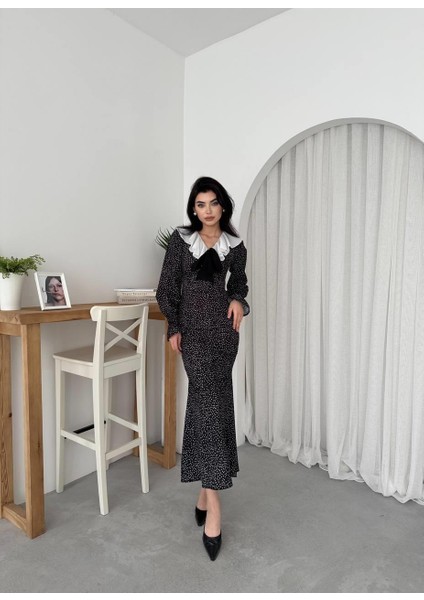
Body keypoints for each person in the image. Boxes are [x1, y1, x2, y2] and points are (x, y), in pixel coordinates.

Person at [156, 176, 249, 561]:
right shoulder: (181, 242)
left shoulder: (235, 247)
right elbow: (166, 290)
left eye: (213, 203)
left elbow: (239, 285)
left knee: (212, 408)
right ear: (193, 209)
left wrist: (239, 301)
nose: (207, 210)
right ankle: (215, 506)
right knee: (208, 406)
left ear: (222, 206)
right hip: (193, 336)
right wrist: (174, 327)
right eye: (200, 204)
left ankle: (203, 494)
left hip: (224, 336)